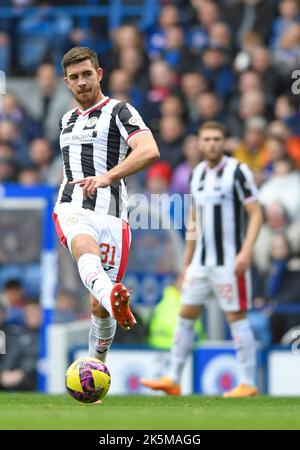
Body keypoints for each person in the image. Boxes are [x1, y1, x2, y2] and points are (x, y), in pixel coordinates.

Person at [52, 47, 159, 366]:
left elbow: (149, 150)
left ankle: (96, 366)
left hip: (112, 215)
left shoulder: (120, 111)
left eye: (87, 74)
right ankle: (115, 303)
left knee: (97, 307)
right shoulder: (66, 120)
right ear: (67, 83)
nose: (81, 82)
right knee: (83, 246)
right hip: (72, 206)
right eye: (74, 78)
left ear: (99, 74)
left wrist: (107, 176)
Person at [141, 121, 263, 397]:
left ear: (224, 142)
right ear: (199, 143)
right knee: (185, 315)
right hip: (200, 262)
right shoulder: (196, 174)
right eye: (206, 139)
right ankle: (173, 377)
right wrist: (186, 264)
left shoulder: (237, 172)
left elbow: (256, 212)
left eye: (217, 139)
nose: (211, 144)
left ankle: (247, 381)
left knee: (236, 317)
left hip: (229, 261)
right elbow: (193, 221)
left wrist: (246, 251)